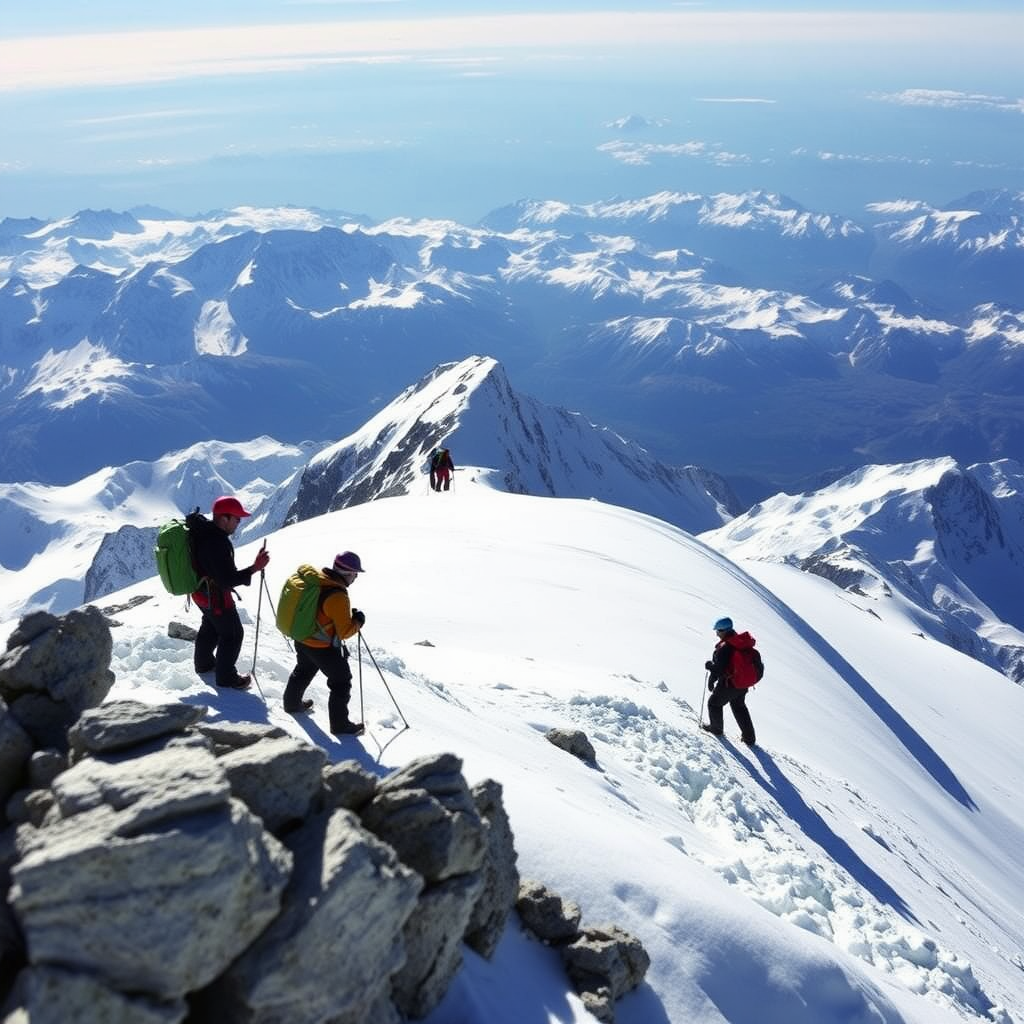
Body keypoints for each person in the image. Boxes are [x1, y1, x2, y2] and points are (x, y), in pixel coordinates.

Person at [187, 495, 270, 690]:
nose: (239, 523)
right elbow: (226, 580)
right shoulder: (217, 542)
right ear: (224, 518)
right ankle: (227, 678)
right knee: (232, 634)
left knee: (211, 626)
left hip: (199, 593)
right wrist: (254, 568)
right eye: (237, 519)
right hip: (215, 597)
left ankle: (204, 664)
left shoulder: (202, 532)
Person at [282, 551, 367, 736]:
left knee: (303, 670)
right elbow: (344, 632)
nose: (356, 577)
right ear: (348, 573)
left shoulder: (319, 581)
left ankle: (291, 704)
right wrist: (358, 621)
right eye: (355, 573)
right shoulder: (337, 596)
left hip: (302, 638)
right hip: (321, 648)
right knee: (341, 682)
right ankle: (340, 725)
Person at [702, 616, 758, 746]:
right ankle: (750, 738)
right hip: (742, 683)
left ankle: (716, 729)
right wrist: (713, 676)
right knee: (739, 706)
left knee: (714, 703)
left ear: (725, 630)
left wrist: (709, 666)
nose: (716, 633)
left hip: (730, 683)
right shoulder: (740, 642)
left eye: (718, 630)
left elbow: (720, 669)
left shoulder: (725, 647)